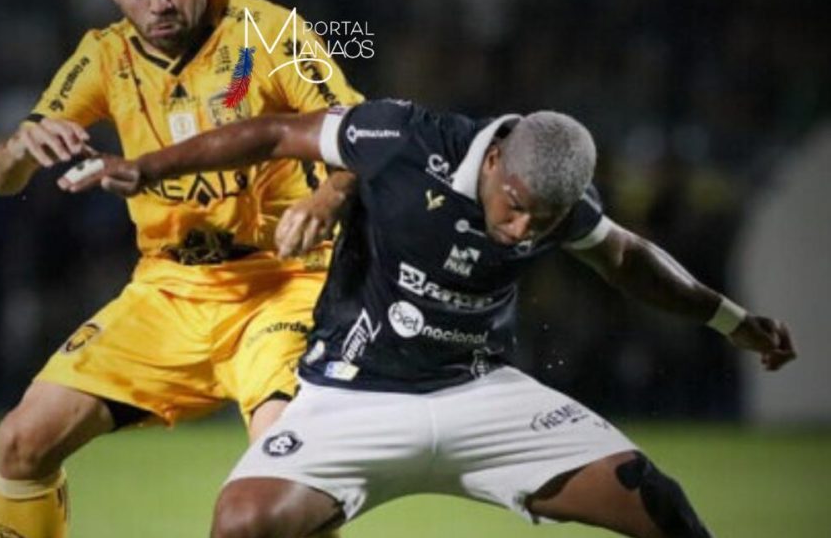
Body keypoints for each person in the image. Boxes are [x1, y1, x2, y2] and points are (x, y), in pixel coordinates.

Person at [62, 99, 797, 538]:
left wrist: (734, 321)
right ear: (497, 157)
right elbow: (275, 132)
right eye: (515, 206)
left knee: (657, 498)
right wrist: (149, 167)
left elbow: (628, 258)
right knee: (241, 523)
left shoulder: (555, 203)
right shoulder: (405, 139)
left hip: (481, 396)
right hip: (352, 398)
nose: (521, 231)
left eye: (546, 220)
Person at [0, 0, 362, 536]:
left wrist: (327, 199)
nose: (158, 3)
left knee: (287, 471)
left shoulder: (269, 33)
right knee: (21, 442)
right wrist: (19, 150)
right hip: (168, 290)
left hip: (284, 285)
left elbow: (364, 134)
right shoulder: (103, 56)